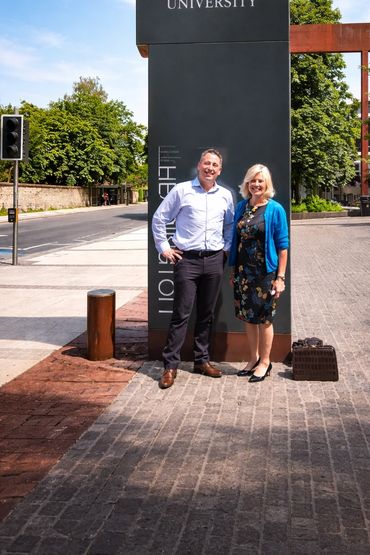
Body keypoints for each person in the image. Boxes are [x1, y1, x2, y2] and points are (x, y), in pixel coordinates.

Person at [152, 148, 234, 389]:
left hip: (214, 261)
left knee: (206, 315)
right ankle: (170, 367)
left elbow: (229, 225)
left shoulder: (226, 196)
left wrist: (226, 249)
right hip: (186, 260)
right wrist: (164, 248)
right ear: (199, 165)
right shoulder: (182, 190)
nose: (210, 168)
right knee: (181, 315)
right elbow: (159, 218)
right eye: (206, 163)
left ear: (220, 170)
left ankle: (202, 361)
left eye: (215, 165)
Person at [228, 163, 289, 383]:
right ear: (247, 183)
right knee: (248, 318)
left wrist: (280, 278)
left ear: (267, 184)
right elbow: (236, 241)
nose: (256, 184)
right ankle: (253, 358)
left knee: (264, 319)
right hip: (244, 273)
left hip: (265, 274)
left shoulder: (275, 209)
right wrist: (234, 270)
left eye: (260, 180)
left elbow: (283, 246)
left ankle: (265, 362)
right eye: (252, 180)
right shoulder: (242, 207)